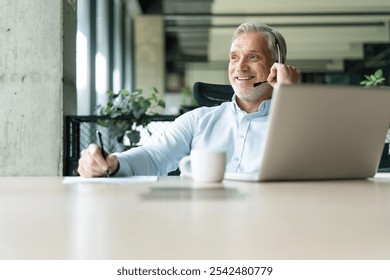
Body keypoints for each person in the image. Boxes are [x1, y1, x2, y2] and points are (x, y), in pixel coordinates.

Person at [78, 22, 300, 177]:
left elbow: (311, 170)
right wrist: (113, 164)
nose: (240, 67)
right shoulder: (198, 120)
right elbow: (154, 156)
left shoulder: (298, 123)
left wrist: (291, 102)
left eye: (253, 57)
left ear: (277, 64)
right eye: (234, 57)